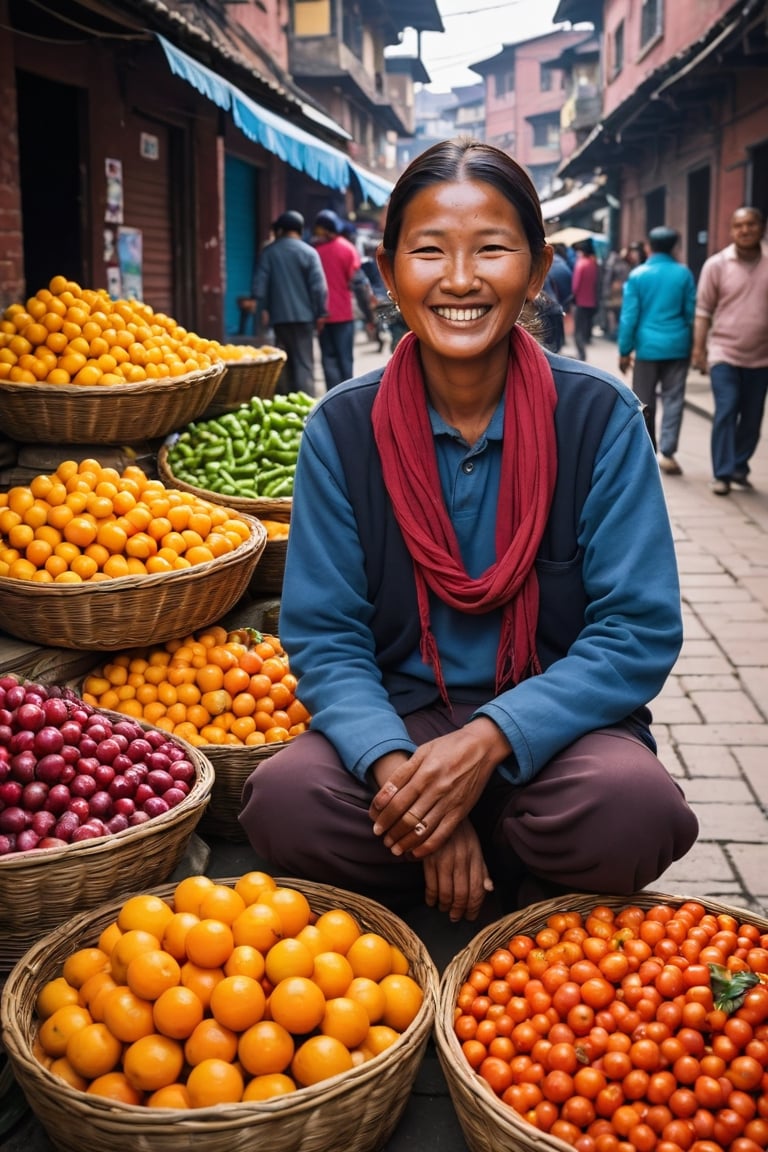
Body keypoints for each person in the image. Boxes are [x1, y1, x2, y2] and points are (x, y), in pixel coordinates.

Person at [239, 138, 698, 923]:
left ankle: (480, 869)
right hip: (402, 720)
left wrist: (488, 744)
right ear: (388, 272)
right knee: (285, 801)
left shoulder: (598, 417)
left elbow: (634, 631)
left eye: (491, 249)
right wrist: (408, 783)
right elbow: (325, 636)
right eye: (428, 252)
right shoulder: (342, 427)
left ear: (538, 267)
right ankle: (480, 867)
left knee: (634, 807)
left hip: (556, 732)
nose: (459, 280)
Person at [691, 206, 768, 495]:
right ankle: (722, 473)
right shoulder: (717, 265)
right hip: (724, 352)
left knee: (752, 415)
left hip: (762, 357)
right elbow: (703, 311)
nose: (745, 230)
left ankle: (740, 466)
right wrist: (699, 351)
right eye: (739, 226)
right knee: (726, 408)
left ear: (761, 227)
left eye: (751, 224)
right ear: (732, 230)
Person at [618, 226, 697, 475]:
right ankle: (669, 452)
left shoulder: (639, 275)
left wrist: (624, 349)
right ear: (675, 247)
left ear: (649, 247)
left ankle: (647, 449)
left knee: (644, 400)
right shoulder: (683, 274)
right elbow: (690, 312)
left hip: (648, 347)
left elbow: (629, 316)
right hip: (677, 345)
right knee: (674, 399)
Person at [252, 211, 327, 396]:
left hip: (278, 317)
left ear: (280, 230)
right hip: (304, 318)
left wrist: (262, 310)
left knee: (282, 362)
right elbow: (319, 287)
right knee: (304, 364)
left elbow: (259, 286)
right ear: (300, 230)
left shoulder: (269, 252)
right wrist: (321, 312)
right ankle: (307, 408)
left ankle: (284, 403)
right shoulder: (310, 253)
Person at [311, 209, 361, 390]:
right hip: (344, 313)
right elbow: (355, 280)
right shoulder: (348, 249)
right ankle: (348, 395)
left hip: (322, 314)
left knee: (328, 358)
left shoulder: (315, 251)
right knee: (345, 358)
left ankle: (332, 396)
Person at [571, 239, 600, 360]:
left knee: (577, 331)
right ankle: (584, 349)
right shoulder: (594, 264)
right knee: (585, 327)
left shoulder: (580, 264)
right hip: (591, 300)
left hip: (580, 301)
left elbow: (576, 285)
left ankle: (581, 354)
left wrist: (573, 295)